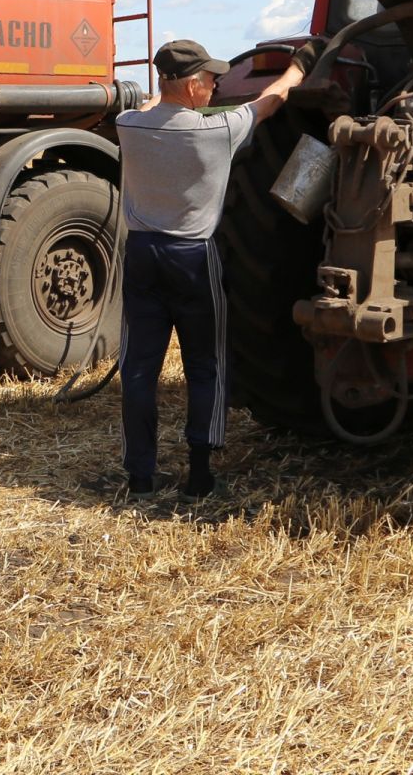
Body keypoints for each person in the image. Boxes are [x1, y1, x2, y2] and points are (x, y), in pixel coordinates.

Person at [107, 36, 315, 499]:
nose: (216, 86)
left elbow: (147, 104)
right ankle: (199, 474)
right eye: (209, 80)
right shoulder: (217, 129)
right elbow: (270, 101)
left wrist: (161, 94)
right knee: (205, 366)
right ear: (192, 84)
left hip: (142, 255)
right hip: (193, 258)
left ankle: (140, 476)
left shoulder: (128, 126)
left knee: (139, 370)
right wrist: (299, 67)